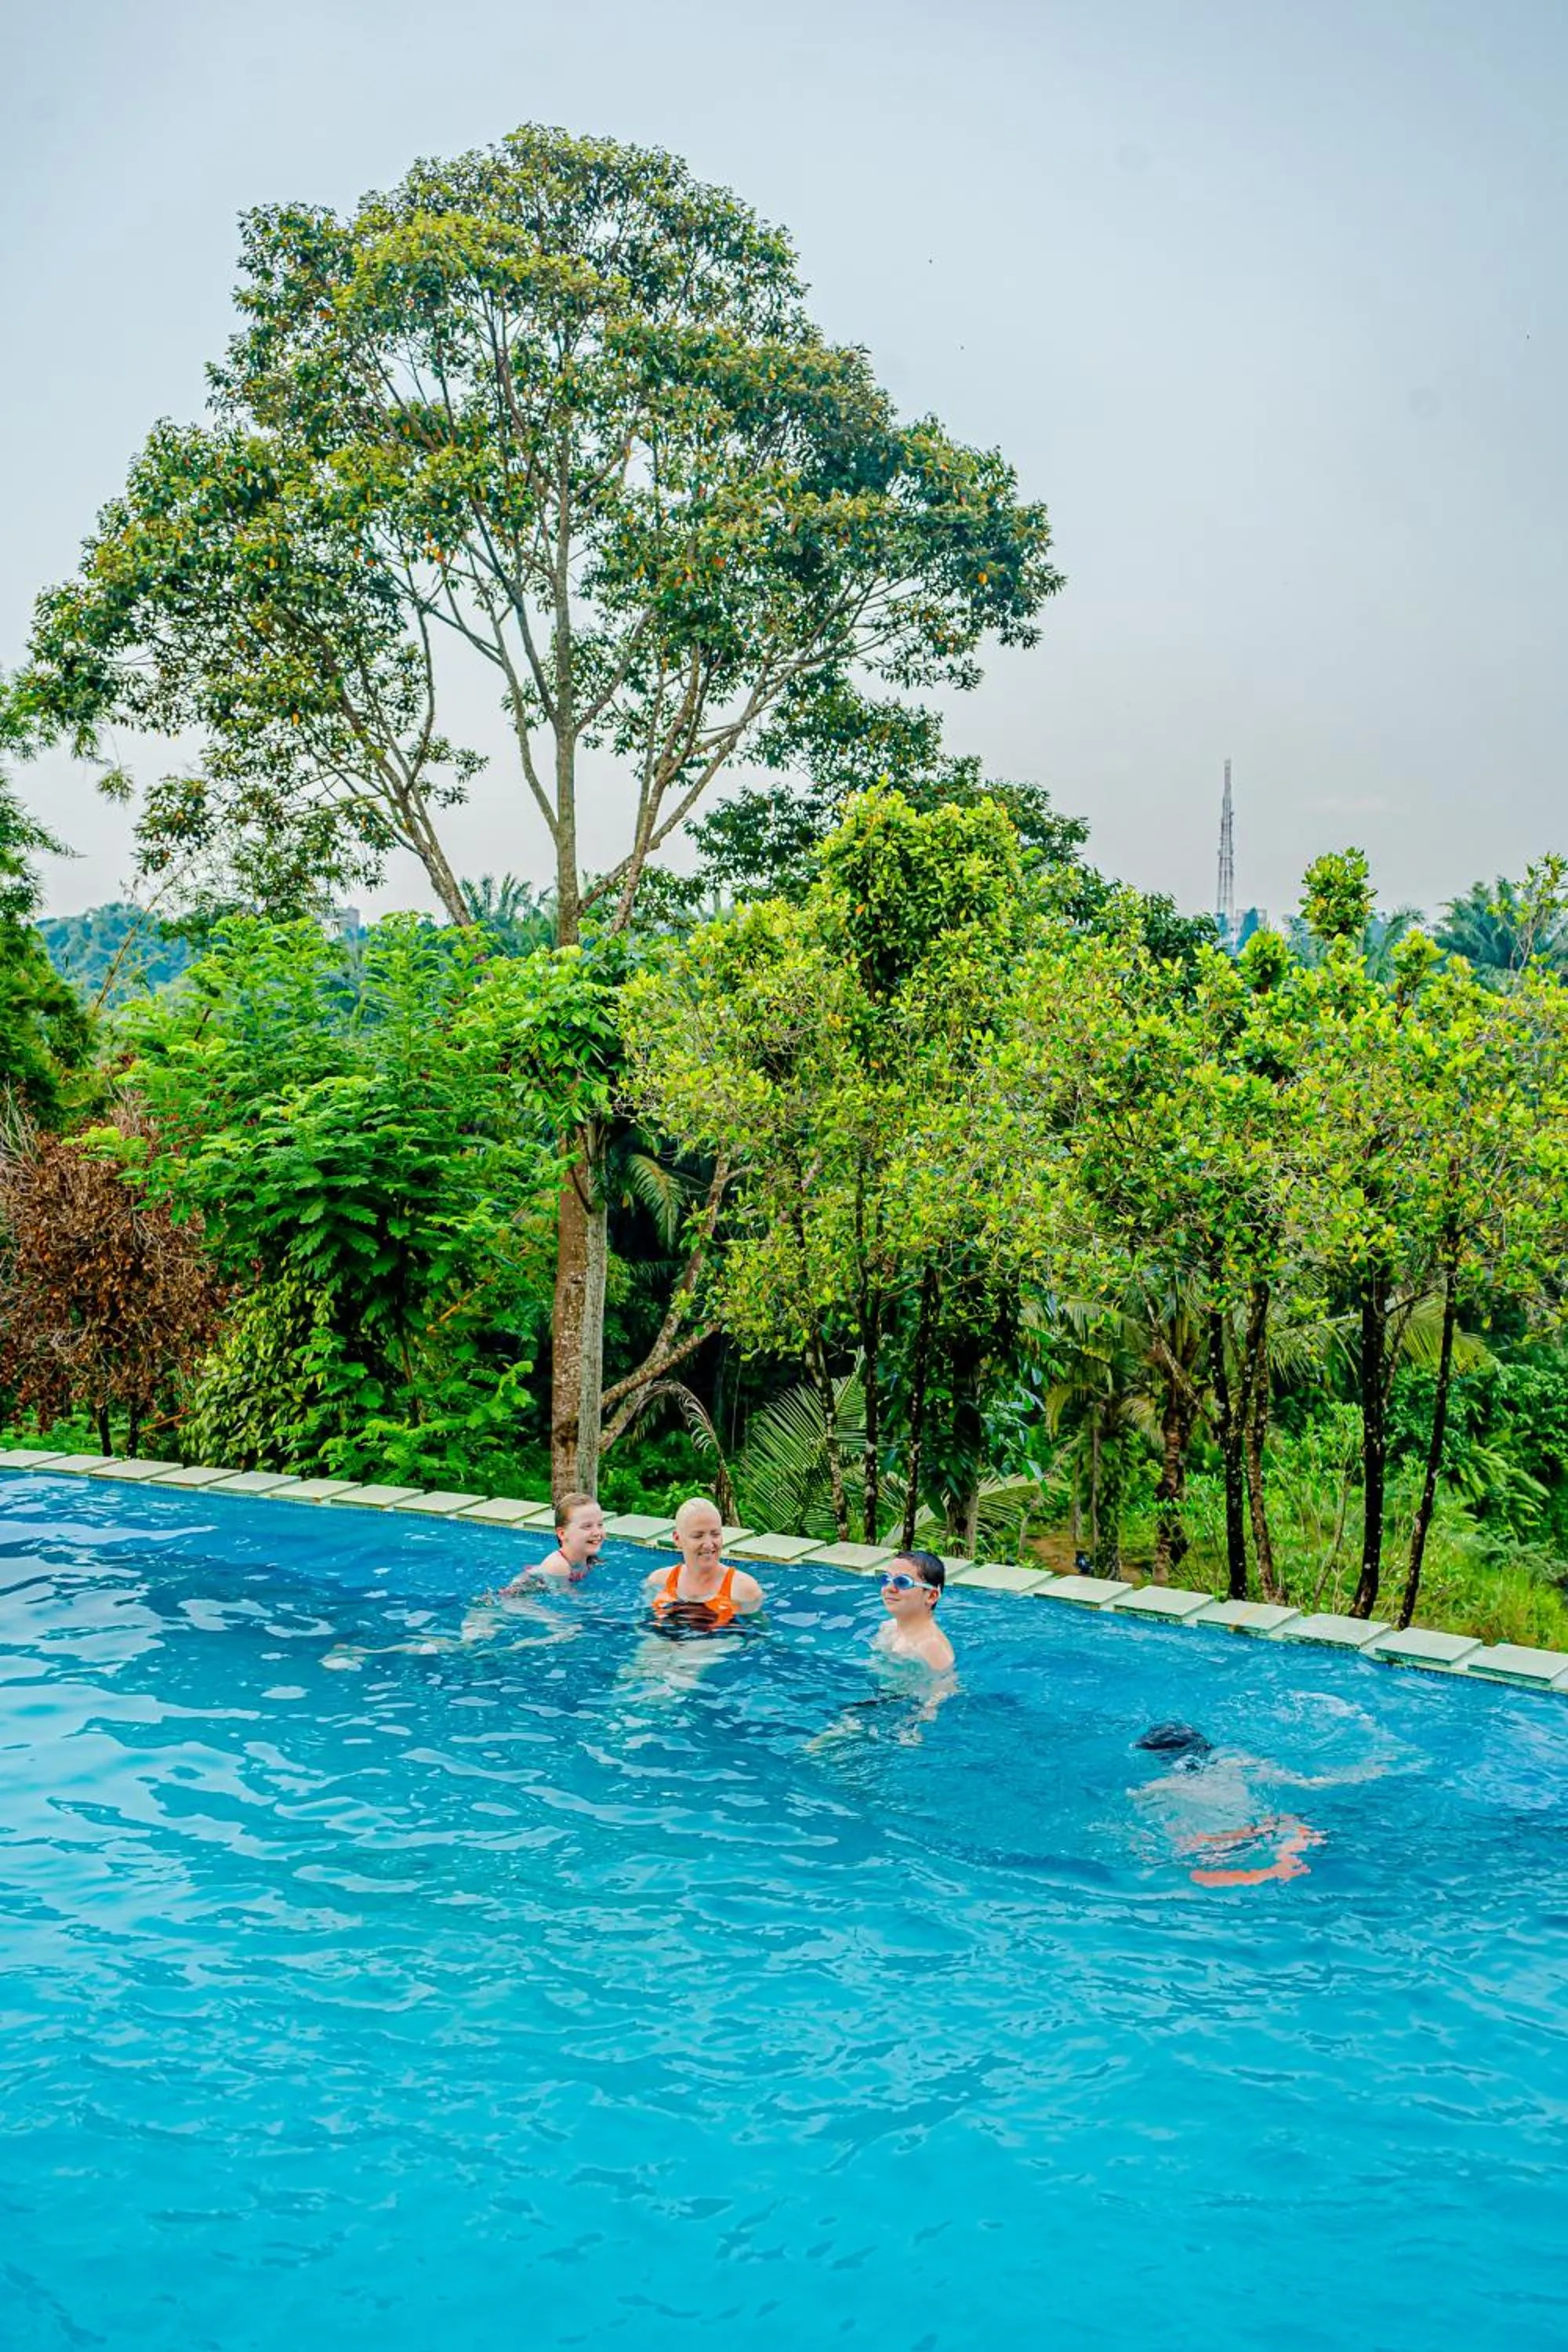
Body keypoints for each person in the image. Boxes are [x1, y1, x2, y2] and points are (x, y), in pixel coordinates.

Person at [643, 1495, 763, 1632]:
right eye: (698, 1536)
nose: (708, 1544)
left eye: (715, 1534)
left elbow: (758, 1635)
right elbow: (647, 1625)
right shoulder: (659, 1581)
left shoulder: (744, 1589)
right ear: (677, 1539)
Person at [500, 1491, 604, 1595]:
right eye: (587, 1526)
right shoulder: (558, 1565)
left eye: (600, 1525)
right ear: (562, 1534)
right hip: (518, 1594)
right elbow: (568, 1600)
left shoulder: (590, 1559)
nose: (597, 1532)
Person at [873, 1550, 954, 1673]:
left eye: (902, 1582)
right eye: (886, 1579)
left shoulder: (932, 1647)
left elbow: (945, 1689)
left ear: (931, 1596)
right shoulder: (887, 1628)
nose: (889, 1588)